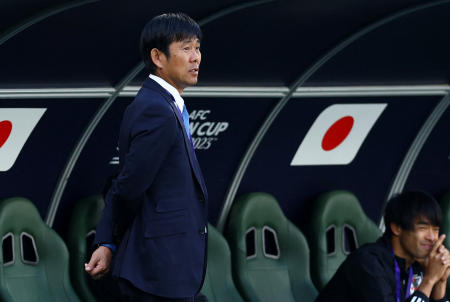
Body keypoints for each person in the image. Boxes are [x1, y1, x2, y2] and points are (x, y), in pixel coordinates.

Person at [84, 13, 208, 302]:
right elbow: (129, 186)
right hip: (159, 272)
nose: (196, 57)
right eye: (186, 48)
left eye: (198, 47)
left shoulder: (164, 105)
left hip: (169, 270)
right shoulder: (157, 110)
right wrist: (109, 242)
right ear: (158, 57)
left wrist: (107, 241)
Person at [316, 191, 450, 302]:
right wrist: (429, 279)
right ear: (396, 228)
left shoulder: (419, 263)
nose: (432, 237)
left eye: (436, 230)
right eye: (423, 228)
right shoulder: (368, 263)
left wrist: (440, 281)